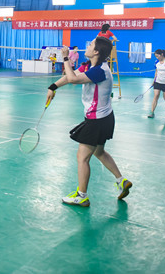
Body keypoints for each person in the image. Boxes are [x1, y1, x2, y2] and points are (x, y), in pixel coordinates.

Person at [46, 38, 132, 207]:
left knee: (82, 157)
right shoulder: (89, 66)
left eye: (91, 45)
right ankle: (121, 181)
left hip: (96, 121)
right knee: (99, 152)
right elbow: (71, 76)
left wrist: (65, 58)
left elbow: (72, 79)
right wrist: (53, 87)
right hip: (106, 117)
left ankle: (82, 196)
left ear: (96, 52)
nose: (88, 46)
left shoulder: (100, 71)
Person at [148, 49, 165, 118]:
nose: (157, 58)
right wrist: (154, 81)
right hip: (158, 81)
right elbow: (156, 72)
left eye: (157, 56)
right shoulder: (156, 62)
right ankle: (152, 112)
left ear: (162, 54)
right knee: (156, 96)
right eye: (156, 56)